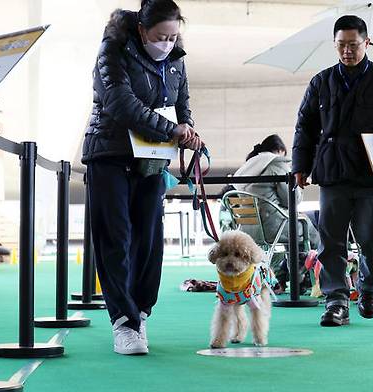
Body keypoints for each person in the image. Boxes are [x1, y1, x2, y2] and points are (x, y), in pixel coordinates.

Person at [81, 0, 203, 355]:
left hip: (153, 161)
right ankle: (123, 322)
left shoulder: (177, 59)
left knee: (149, 239)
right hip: (110, 154)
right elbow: (121, 103)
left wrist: (188, 128)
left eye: (173, 36)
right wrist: (172, 129)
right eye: (160, 36)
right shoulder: (113, 50)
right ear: (141, 30)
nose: (166, 43)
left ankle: (141, 313)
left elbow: (183, 103)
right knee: (115, 237)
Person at [292, 15, 373, 326]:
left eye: (353, 45)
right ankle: (336, 301)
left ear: (366, 43)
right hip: (332, 172)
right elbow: (305, 126)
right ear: (334, 45)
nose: (347, 51)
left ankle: (369, 285)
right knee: (331, 241)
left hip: (372, 172)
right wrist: (300, 166)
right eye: (341, 45)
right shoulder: (321, 81)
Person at [223, 135, 321, 292]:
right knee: (308, 229)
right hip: (274, 227)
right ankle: (304, 279)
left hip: (247, 228)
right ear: (280, 150)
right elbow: (292, 201)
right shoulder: (276, 164)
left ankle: (284, 277)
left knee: (296, 230)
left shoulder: (247, 167)